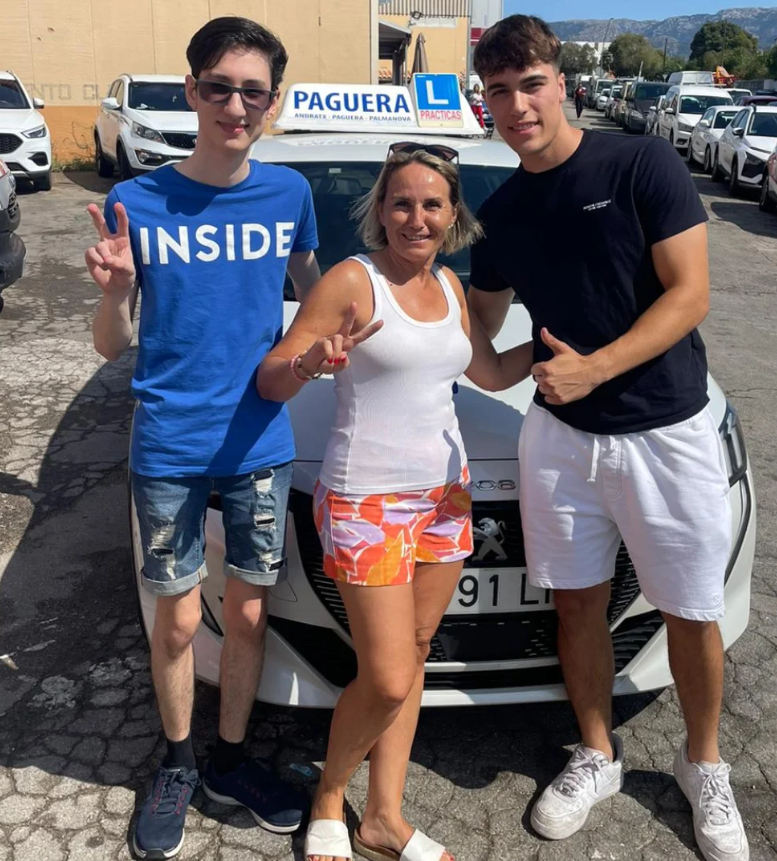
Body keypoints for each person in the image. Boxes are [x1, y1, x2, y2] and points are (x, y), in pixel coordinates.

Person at [469, 15, 748, 861]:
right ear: (484, 102)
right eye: (497, 91)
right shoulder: (503, 208)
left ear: (560, 81)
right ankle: (596, 752)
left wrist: (592, 367)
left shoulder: (639, 162)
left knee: (691, 608)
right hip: (558, 442)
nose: (516, 105)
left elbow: (688, 293)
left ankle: (704, 766)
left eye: (529, 84)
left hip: (666, 429)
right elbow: (481, 337)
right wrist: (484, 356)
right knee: (575, 600)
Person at [85, 17, 320, 860]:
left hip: (259, 440)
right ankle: (179, 764)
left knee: (251, 615)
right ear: (190, 90)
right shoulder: (136, 201)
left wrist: (325, 348)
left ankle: (229, 762)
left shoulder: (289, 195)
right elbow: (113, 345)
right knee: (181, 622)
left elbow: (315, 300)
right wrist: (115, 290)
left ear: (271, 103)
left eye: (251, 91)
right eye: (217, 86)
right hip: (170, 447)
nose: (234, 104)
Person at [257, 142, 533, 861]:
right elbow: (270, 377)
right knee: (382, 675)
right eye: (401, 201)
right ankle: (327, 797)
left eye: (432, 203)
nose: (416, 216)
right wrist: (311, 362)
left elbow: (495, 372)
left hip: (444, 497)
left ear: (452, 215)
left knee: (411, 655)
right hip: (366, 500)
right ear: (379, 209)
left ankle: (382, 816)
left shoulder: (449, 288)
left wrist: (558, 345)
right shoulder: (354, 281)